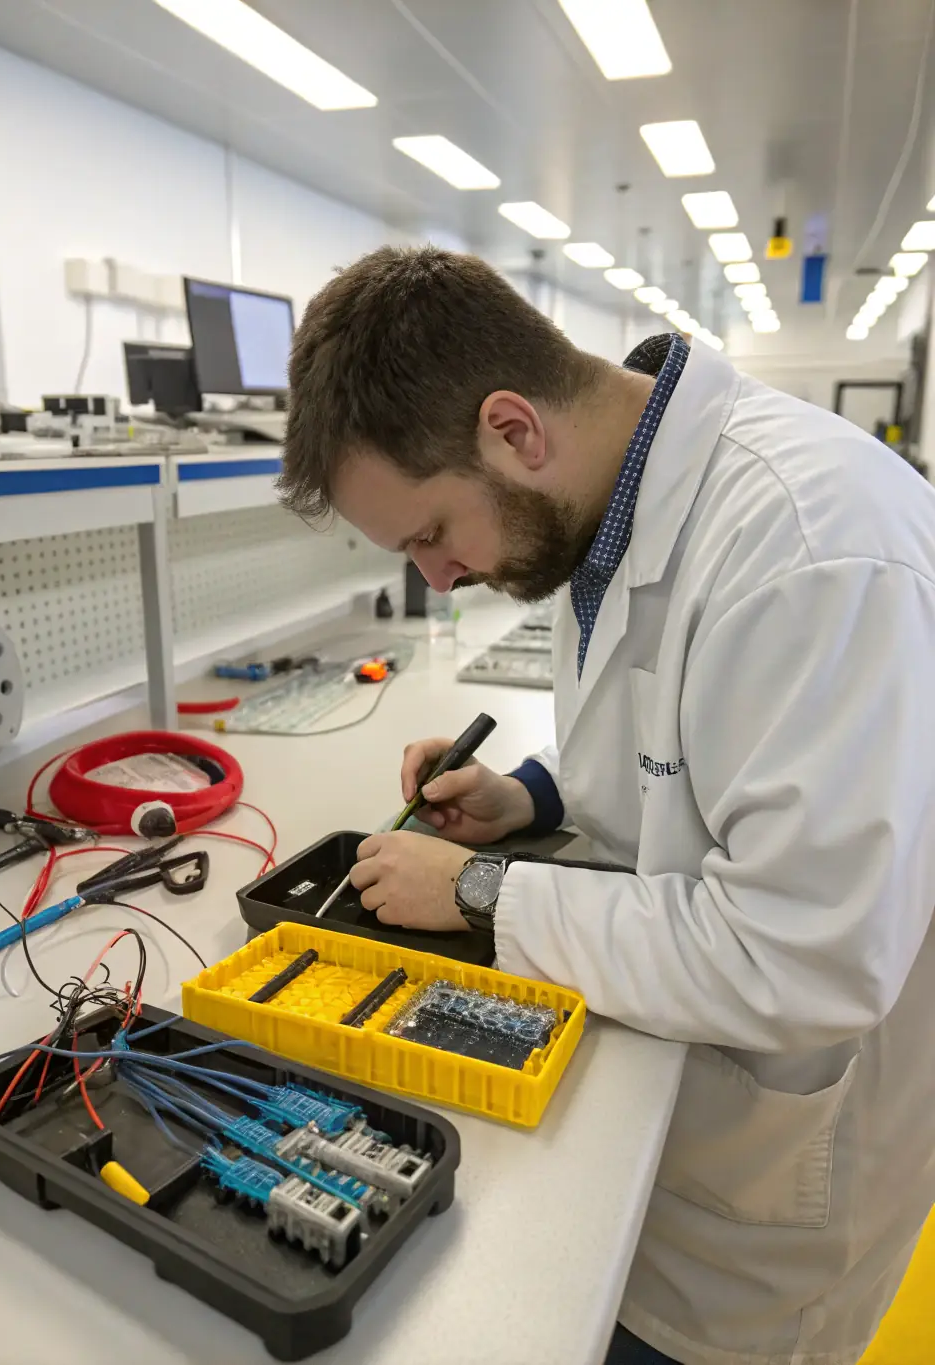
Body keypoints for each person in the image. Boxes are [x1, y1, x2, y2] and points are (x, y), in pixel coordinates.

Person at [277, 244, 935, 1365]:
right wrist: (524, 799)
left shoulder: (813, 551)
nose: (433, 579)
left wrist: (482, 890)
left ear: (512, 430)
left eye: (431, 535)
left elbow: (805, 955)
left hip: (774, 1182)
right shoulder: (601, 504)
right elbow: (686, 744)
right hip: (670, 1091)